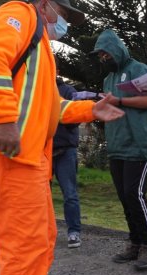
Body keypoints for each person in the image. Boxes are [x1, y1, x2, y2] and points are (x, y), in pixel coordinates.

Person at [0, 1, 124, 275]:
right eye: (64, 15)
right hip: (13, 156)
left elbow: (52, 107)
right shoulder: (21, 13)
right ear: (44, 4)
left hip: (27, 159)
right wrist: (5, 119)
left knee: (39, 241)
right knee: (24, 246)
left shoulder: (38, 46)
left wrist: (91, 110)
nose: (65, 23)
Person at [90, 29, 147, 271]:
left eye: (105, 53)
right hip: (117, 145)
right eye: (99, 55)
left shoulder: (139, 69)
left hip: (141, 144)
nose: (103, 58)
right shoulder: (108, 80)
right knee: (124, 196)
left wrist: (119, 101)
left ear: (116, 50)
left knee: (135, 193)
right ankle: (134, 241)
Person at [53, 76, 83, 248]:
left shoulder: (69, 91)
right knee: (40, 196)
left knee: (70, 194)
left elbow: (76, 119)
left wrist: (58, 116)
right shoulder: (35, 87)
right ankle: (43, 232)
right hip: (42, 150)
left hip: (65, 150)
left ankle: (74, 232)